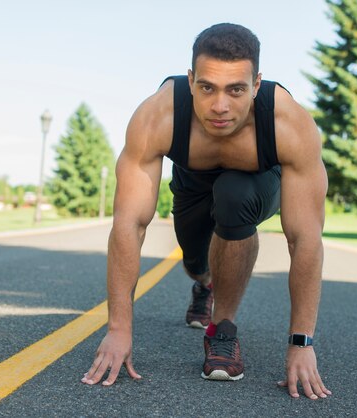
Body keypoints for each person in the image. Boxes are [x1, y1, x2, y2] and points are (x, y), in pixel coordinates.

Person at [81, 23, 331, 400]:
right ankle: (205, 283)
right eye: (207, 87)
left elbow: (305, 237)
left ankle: (223, 330)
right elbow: (129, 224)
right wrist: (119, 328)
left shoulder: (288, 124)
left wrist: (301, 343)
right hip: (192, 181)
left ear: (257, 85)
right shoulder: (158, 116)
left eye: (236, 90)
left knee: (234, 197)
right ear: (191, 79)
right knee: (194, 261)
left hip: (256, 181)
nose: (220, 106)